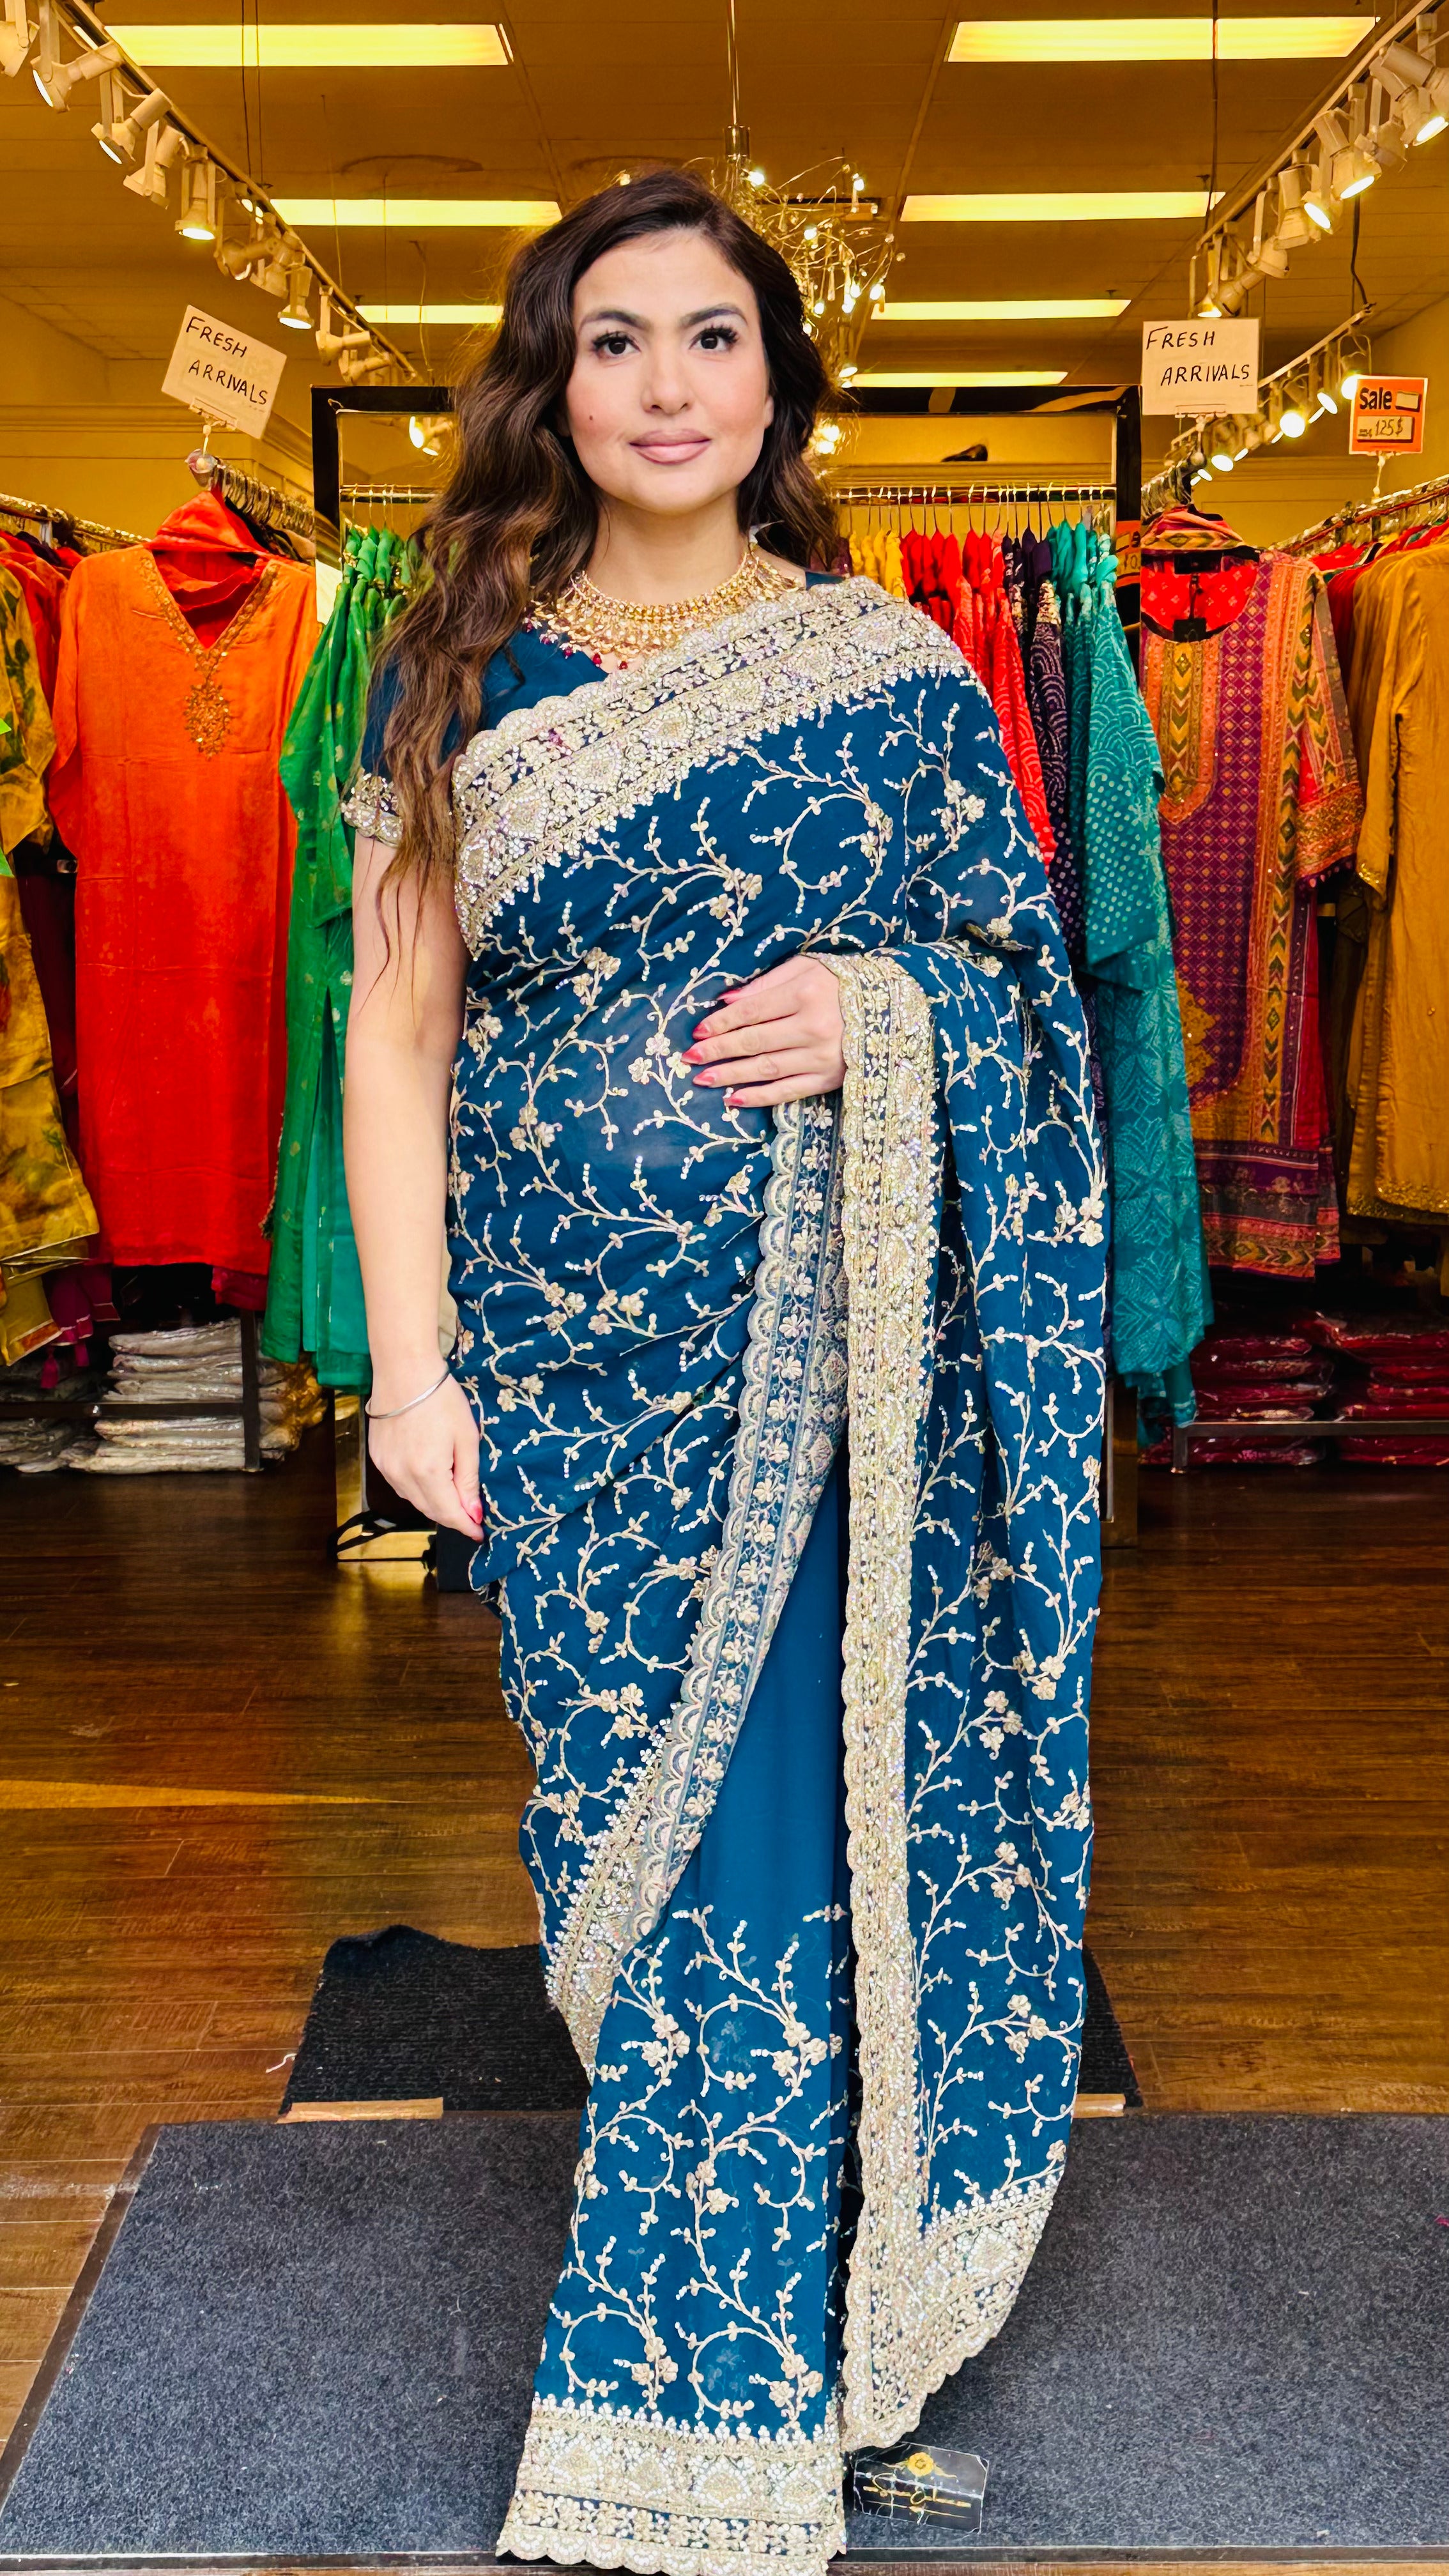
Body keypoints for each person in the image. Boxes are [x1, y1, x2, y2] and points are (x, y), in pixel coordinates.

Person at [343, 167, 1106, 2576]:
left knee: (774, 1840)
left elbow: (1029, 995)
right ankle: (783, 2292)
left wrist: (886, 1011)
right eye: (613, 341)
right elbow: (394, 1036)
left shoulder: (896, 675)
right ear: (550, 386)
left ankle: (698, 2399)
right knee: (623, 1839)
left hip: (842, 1365)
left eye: (709, 338)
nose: (664, 387)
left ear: (779, 383)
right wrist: (405, 1368)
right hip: (568, 1368)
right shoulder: (458, 672)